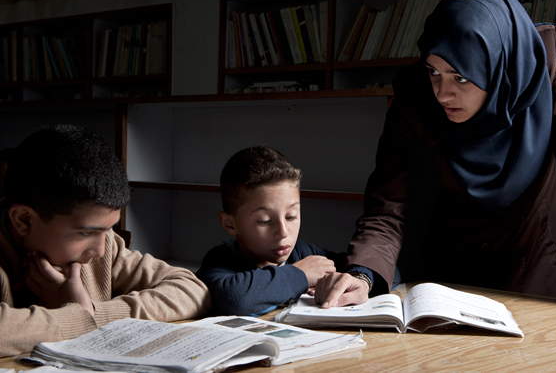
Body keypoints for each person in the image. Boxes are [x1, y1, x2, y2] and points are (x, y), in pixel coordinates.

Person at [315, 0, 556, 315]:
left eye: (460, 77)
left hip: (534, 261)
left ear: (497, 64)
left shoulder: (546, 61)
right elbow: (389, 207)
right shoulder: (414, 97)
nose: (442, 94)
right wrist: (363, 275)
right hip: (447, 277)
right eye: (434, 72)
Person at [0, 124, 211, 357]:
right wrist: (77, 318)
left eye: (108, 229)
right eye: (86, 233)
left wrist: (94, 313)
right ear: (24, 221)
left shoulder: (105, 245)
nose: (100, 250)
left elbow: (192, 290)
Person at [197, 146, 365, 316]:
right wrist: (301, 276)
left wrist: (359, 280)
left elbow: (381, 268)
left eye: (291, 216)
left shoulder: (304, 253)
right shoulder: (218, 262)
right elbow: (234, 299)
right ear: (229, 224)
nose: (283, 232)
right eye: (265, 221)